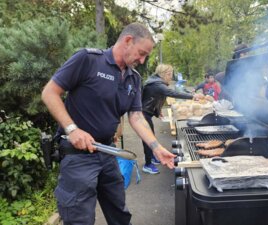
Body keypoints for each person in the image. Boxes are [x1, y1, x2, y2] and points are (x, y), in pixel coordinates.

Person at [41, 22, 175, 225]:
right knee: (79, 220)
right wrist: (72, 129)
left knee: (120, 214)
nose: (143, 60)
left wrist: (156, 147)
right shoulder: (88, 59)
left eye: (146, 55)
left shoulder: (134, 78)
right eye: (141, 53)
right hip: (78, 157)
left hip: (107, 152)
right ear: (128, 41)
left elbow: (136, 116)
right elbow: (49, 92)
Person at [141, 64, 202, 174]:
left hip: (147, 113)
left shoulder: (157, 83)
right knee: (148, 140)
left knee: (151, 136)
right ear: (164, 74)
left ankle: (152, 157)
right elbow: (171, 93)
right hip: (143, 115)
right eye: (169, 74)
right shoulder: (157, 84)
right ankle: (147, 164)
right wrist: (192, 96)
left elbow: (155, 98)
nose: (171, 76)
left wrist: (157, 111)